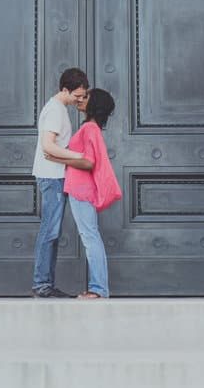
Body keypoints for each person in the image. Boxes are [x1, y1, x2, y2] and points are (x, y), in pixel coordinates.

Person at [30, 67, 92, 298]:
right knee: (50, 231)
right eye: (76, 95)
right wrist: (80, 157)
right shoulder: (56, 110)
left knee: (51, 231)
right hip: (53, 176)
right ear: (64, 89)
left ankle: (44, 283)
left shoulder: (57, 108)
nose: (80, 100)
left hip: (55, 175)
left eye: (83, 96)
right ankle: (42, 284)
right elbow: (48, 145)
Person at [63, 88, 122, 299]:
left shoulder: (89, 128)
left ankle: (98, 289)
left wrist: (59, 158)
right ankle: (99, 288)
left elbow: (88, 162)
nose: (80, 99)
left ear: (93, 102)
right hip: (81, 189)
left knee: (90, 238)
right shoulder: (91, 128)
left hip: (81, 190)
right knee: (91, 236)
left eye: (85, 96)